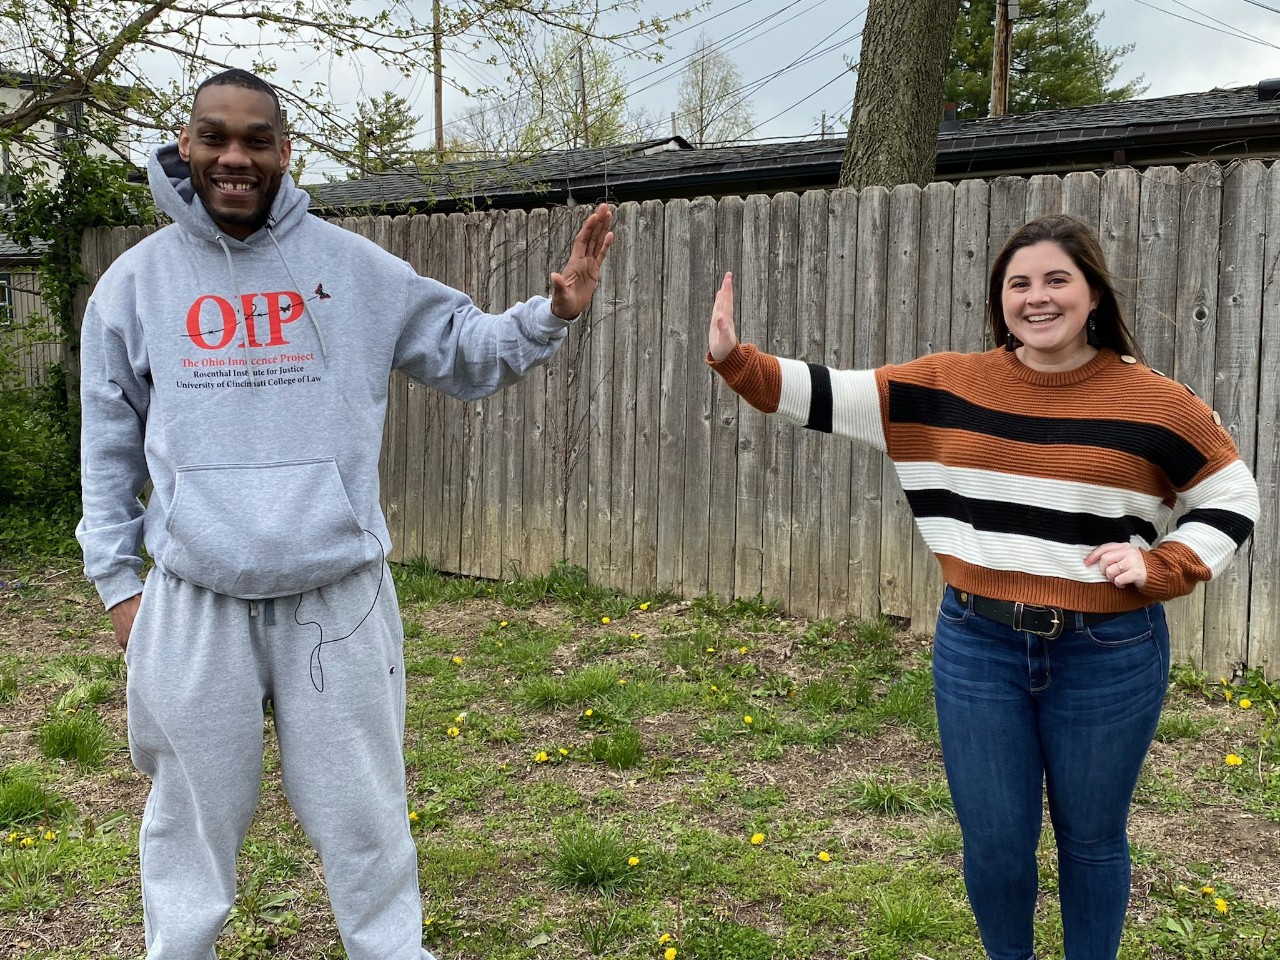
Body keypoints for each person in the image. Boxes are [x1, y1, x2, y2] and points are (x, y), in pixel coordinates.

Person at [77, 68, 614, 960]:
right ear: (185, 148)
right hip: (194, 599)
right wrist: (118, 583)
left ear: (287, 152)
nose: (235, 158)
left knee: (365, 812)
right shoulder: (133, 288)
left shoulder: (355, 269)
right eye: (215, 137)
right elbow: (106, 448)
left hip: (338, 597)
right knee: (189, 821)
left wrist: (549, 312)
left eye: (256, 140)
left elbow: (462, 349)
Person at [705, 213, 1258, 960]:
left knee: (1092, 841)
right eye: (1018, 283)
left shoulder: (1156, 403)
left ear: (1092, 293)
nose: (1037, 297)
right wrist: (736, 360)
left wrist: (1166, 565)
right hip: (979, 646)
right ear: (999, 299)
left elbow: (1232, 496)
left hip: (1108, 652)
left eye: (1057, 280)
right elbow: (830, 394)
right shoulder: (947, 387)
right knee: (996, 845)